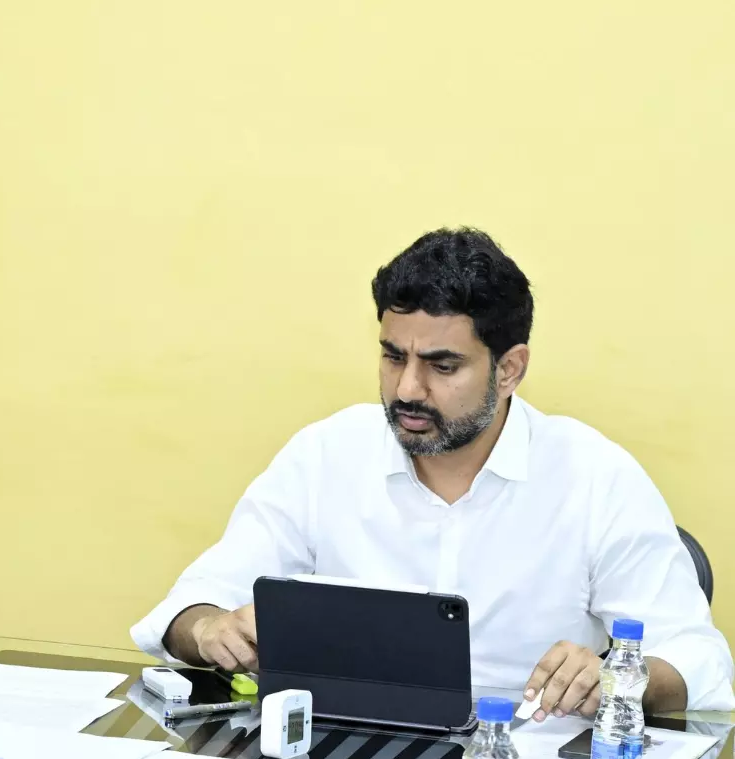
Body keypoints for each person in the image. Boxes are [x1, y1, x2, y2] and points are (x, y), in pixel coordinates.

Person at [132, 227, 734, 717]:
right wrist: (208, 629)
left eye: (442, 366)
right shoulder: (326, 454)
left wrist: (619, 677)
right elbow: (191, 607)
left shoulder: (595, 477)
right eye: (393, 357)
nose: (407, 389)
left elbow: (698, 660)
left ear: (509, 369)